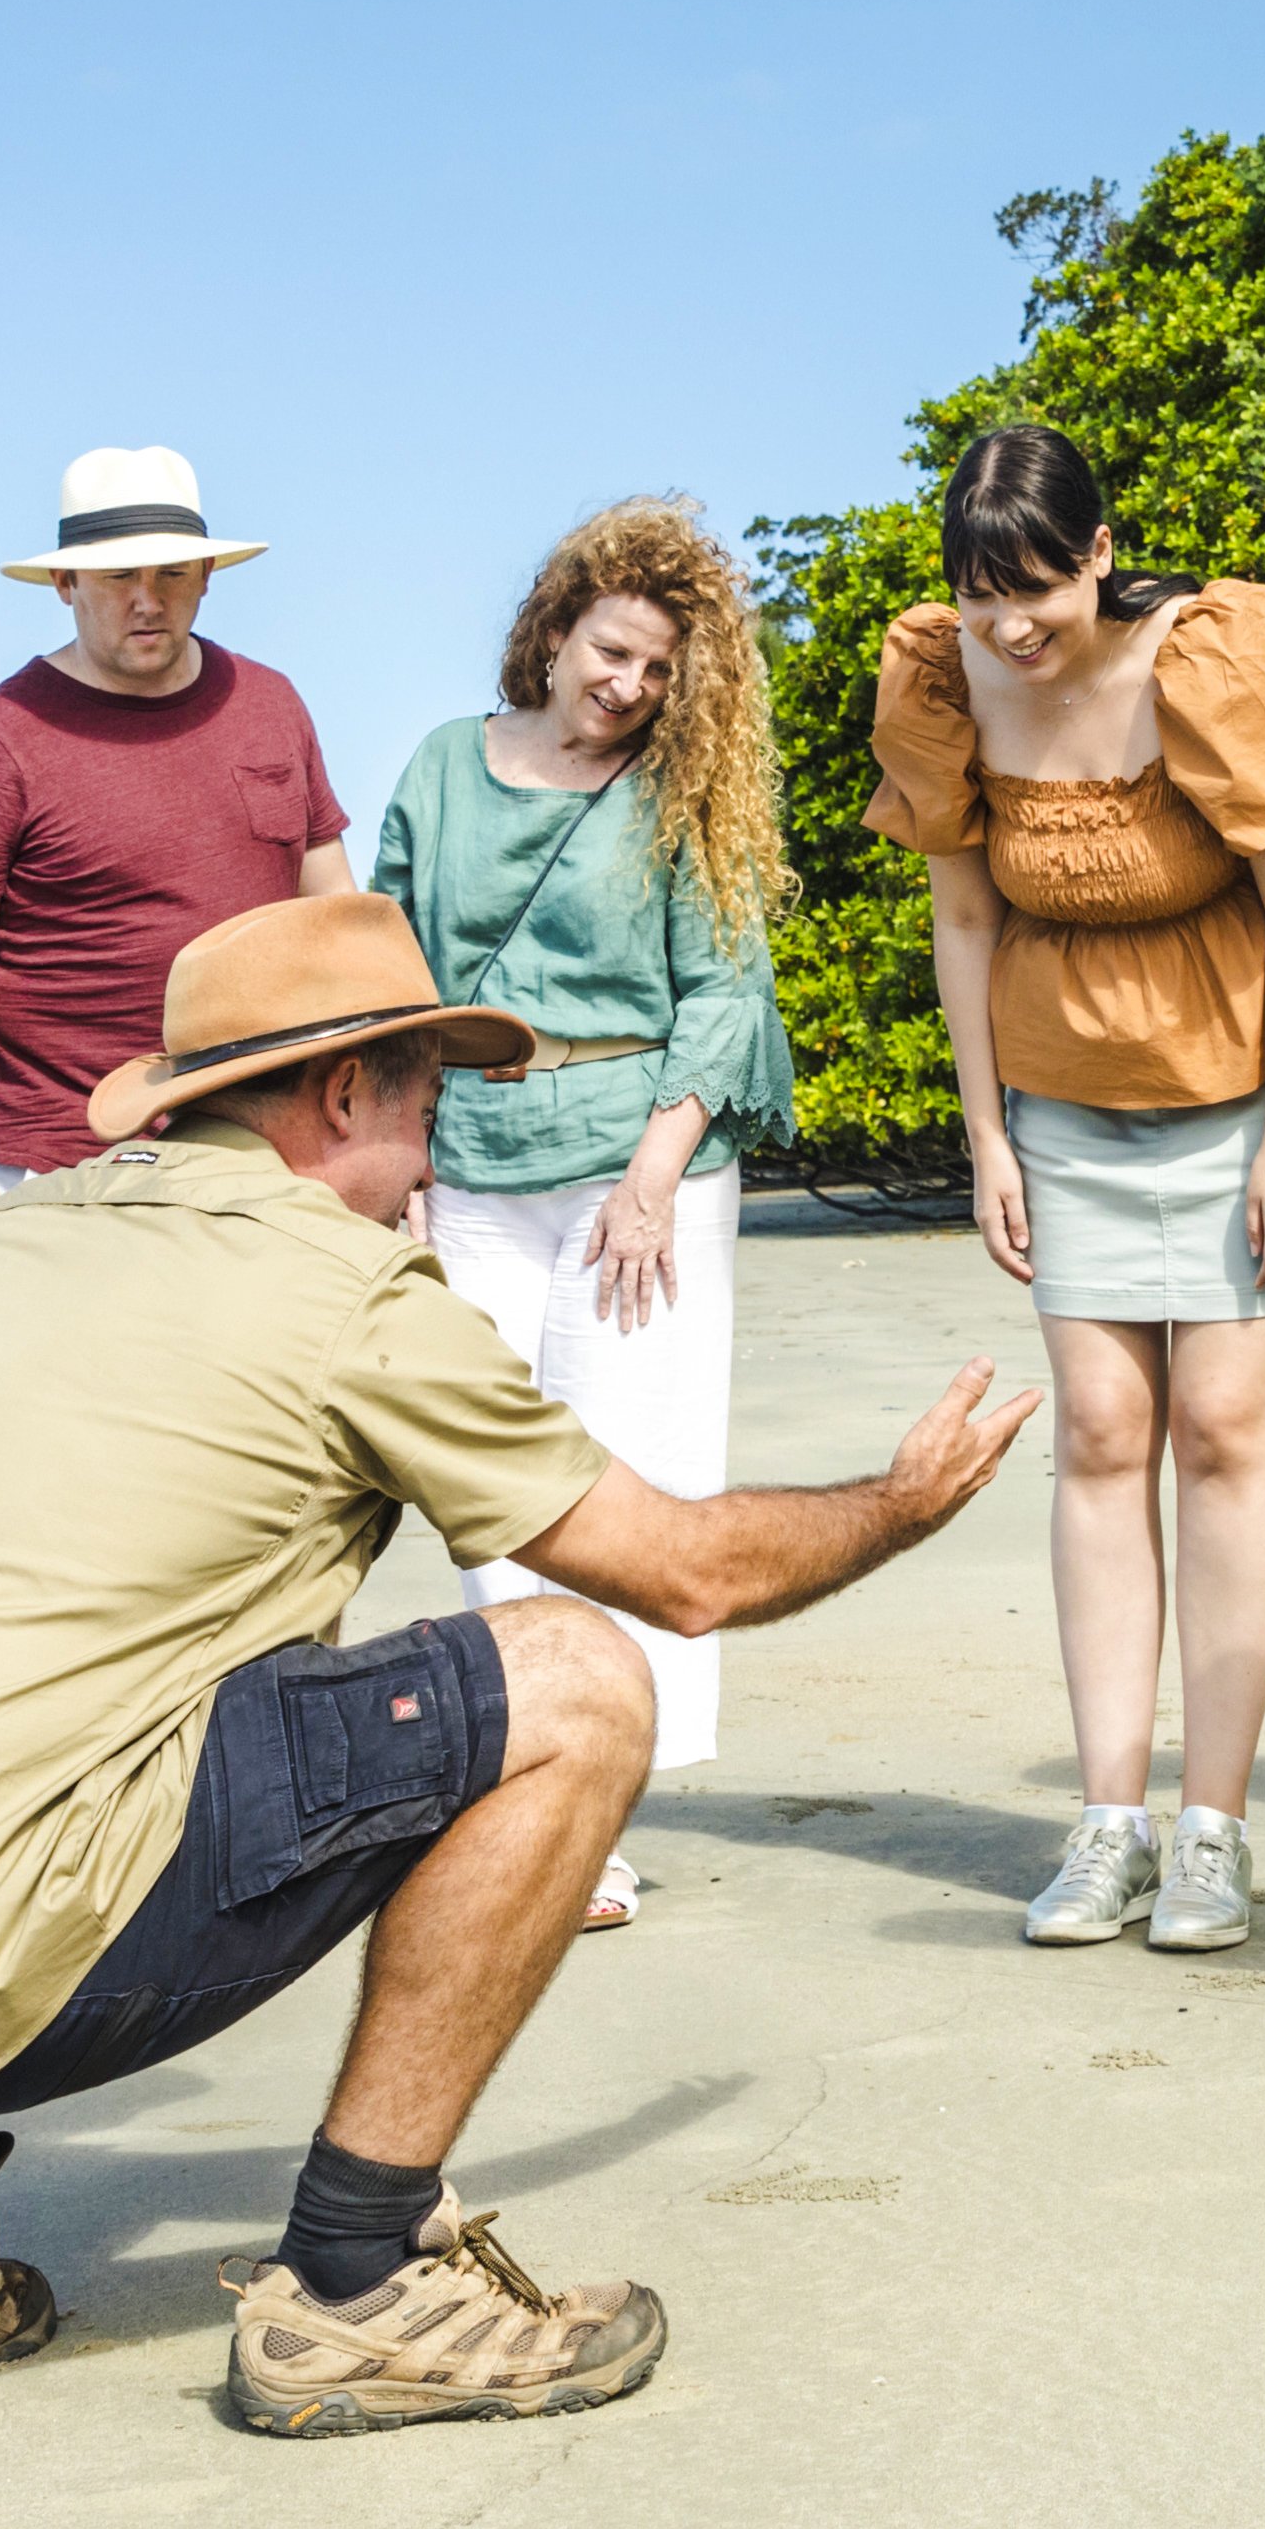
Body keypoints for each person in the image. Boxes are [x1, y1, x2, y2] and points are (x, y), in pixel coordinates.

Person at [0, 896, 1041, 2435]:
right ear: (342, 1097)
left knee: (62, 1685)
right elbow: (692, 1574)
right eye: (428, 1109)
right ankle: (355, 2279)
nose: (435, 1161)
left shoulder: (2, 1245)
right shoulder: (353, 1295)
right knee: (581, 1681)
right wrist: (899, 1504)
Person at [871, 426, 1265, 1958]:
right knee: (1099, 1433)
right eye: (975, 592)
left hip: (1247, 1083)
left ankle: (1211, 1829)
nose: (1008, 625)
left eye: (1033, 588)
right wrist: (986, 1138)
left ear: (1097, 553)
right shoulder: (941, 677)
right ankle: (1108, 1827)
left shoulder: (1203, 657)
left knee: (1221, 1433)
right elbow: (962, 916)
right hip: (1063, 1097)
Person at [370, 497, 800, 1934]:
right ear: (555, 633)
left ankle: (598, 1811)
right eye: (612, 651)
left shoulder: (683, 794)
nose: (627, 686)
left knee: (632, 1481)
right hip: (473, 1156)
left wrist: (653, 1181)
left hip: (642, 1164)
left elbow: (725, 994)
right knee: (492, 1488)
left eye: (660, 672)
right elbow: (389, 970)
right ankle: (524, 1767)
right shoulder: (444, 764)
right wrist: (400, 1163)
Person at [0, 443, 353, 1243]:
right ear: (65, 583)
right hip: (61, 1169)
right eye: (118, 578)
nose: (149, 600)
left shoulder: (273, 704)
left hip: (265, 1158)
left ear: (207, 577)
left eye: (172, 574)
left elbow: (337, 922)